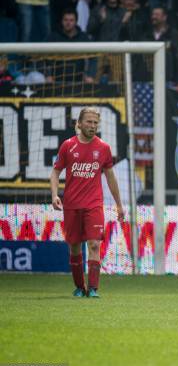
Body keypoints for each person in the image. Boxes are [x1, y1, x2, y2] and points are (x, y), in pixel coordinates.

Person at [50, 107, 125, 298]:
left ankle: (93, 289)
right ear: (80, 123)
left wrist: (119, 204)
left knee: (93, 244)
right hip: (71, 205)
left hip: (94, 204)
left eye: (95, 123)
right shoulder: (68, 146)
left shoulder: (103, 148)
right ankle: (79, 287)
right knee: (74, 246)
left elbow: (110, 178)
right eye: (89, 122)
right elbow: (56, 171)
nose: (92, 126)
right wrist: (54, 195)